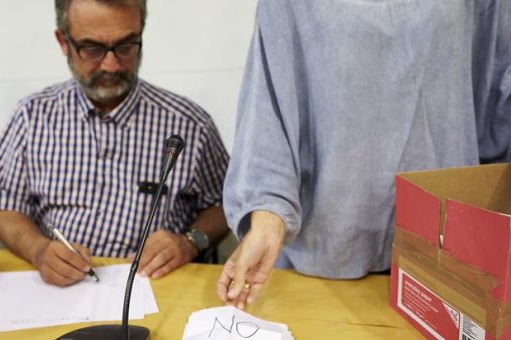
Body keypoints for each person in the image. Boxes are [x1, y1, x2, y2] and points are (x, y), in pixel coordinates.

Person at [218, 0, 511, 309]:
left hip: (444, 244)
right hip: (327, 249)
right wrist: (266, 220)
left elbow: (500, 82)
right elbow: (267, 111)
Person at [0, 0, 230, 287]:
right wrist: (39, 250)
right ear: (63, 41)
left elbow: (224, 204)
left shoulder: (189, 124)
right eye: (92, 48)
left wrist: (189, 242)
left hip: (154, 287)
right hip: (52, 288)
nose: (111, 65)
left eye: (126, 46)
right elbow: (4, 207)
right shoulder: (32, 116)